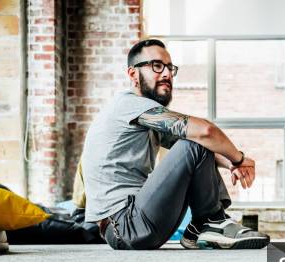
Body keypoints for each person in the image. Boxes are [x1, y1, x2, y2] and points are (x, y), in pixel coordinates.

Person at [82, 39, 270, 250]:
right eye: (156, 66)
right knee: (196, 138)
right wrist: (240, 158)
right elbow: (205, 131)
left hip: (138, 220)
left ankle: (204, 226)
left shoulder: (143, 116)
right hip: (125, 225)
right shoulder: (128, 105)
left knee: (194, 141)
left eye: (170, 68)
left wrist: (231, 165)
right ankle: (212, 222)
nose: (166, 74)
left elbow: (197, 150)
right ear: (133, 74)